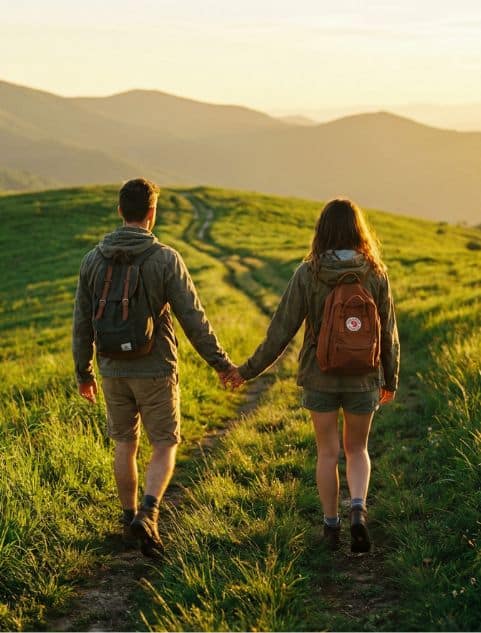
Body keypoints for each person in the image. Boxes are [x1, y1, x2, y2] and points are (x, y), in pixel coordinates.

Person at [226, 198, 400, 552]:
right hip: (364, 376)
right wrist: (390, 378)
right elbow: (389, 332)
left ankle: (331, 526)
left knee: (327, 452)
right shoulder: (375, 273)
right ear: (358, 230)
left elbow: (280, 331)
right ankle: (359, 512)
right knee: (357, 448)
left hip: (320, 376)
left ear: (322, 231)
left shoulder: (309, 273)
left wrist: (246, 371)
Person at [72, 178, 234, 557]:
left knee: (124, 444)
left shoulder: (92, 260)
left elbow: (81, 323)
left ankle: (128, 518)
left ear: (119, 212)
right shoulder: (165, 258)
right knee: (164, 443)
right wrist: (221, 364)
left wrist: (84, 372)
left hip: (111, 370)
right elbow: (193, 317)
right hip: (157, 369)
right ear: (152, 213)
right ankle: (148, 513)